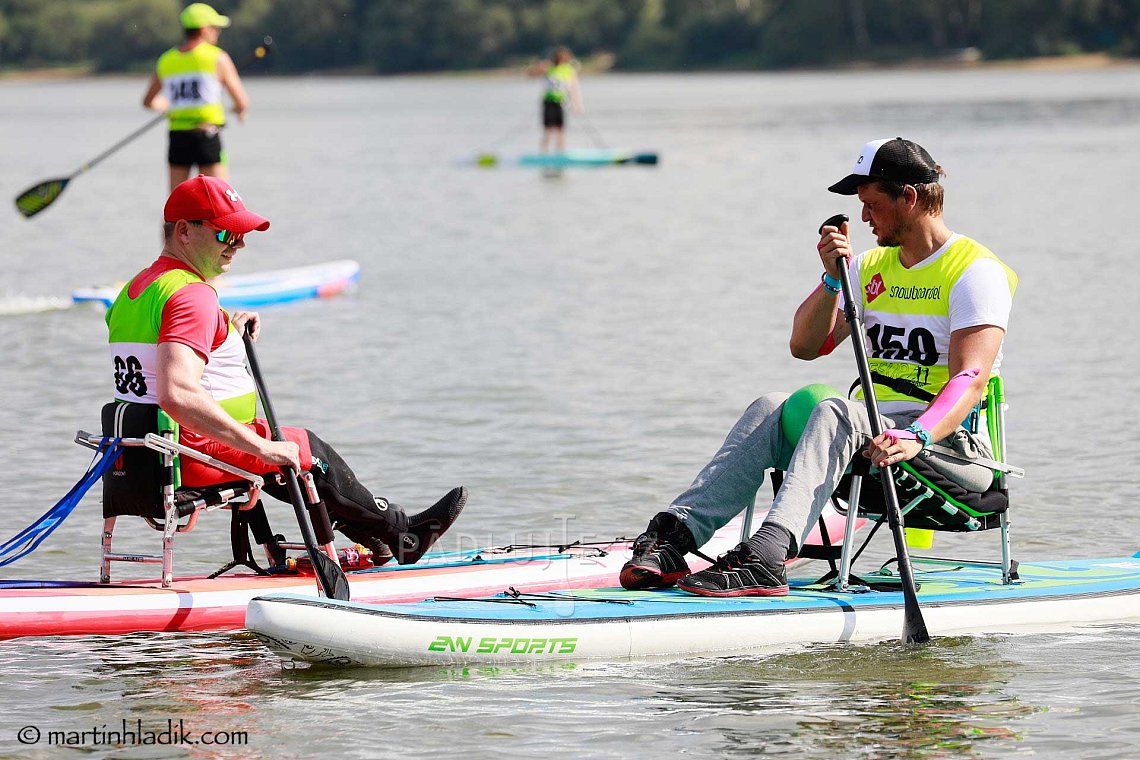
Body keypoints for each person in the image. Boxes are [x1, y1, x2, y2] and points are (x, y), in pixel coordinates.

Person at [620, 137, 1017, 596]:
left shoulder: (975, 272)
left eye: (871, 205)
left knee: (836, 412)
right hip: (869, 435)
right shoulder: (871, 266)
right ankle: (674, 539)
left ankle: (766, 557)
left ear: (909, 198)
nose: (864, 218)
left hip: (950, 448)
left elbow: (970, 378)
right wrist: (832, 280)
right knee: (770, 407)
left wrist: (916, 435)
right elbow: (805, 346)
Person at [106, 175, 466, 566]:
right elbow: (177, 392)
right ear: (184, 231)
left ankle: (375, 539)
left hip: (149, 455)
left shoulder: (135, 290)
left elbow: (162, 352)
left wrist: (227, 327)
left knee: (284, 445)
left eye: (242, 234)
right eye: (227, 233)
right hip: (194, 453)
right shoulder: (192, 295)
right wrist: (261, 447)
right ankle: (403, 535)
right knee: (304, 450)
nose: (239, 243)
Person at [142, 3, 250, 192]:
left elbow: (148, 102)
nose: (217, 33)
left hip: (177, 137)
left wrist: (170, 106)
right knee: (220, 201)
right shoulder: (218, 57)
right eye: (215, 28)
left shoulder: (167, 60)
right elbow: (242, 102)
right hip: (206, 134)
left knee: (176, 205)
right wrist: (238, 111)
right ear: (203, 30)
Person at [531, 47, 583, 153]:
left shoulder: (568, 70)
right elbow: (532, 74)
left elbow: (574, 88)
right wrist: (539, 66)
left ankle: (560, 151)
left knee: (560, 128)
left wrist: (576, 103)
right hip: (548, 101)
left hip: (560, 102)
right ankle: (544, 151)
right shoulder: (549, 68)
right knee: (549, 128)